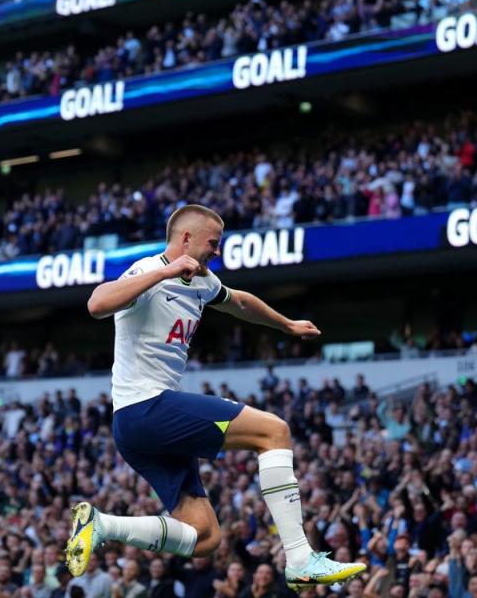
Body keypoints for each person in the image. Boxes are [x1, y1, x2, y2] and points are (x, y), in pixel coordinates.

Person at [66, 204, 367, 590]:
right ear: (185, 239)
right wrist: (165, 271)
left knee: (205, 538)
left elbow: (239, 301)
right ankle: (299, 558)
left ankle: (101, 524)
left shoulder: (202, 281)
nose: (217, 252)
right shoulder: (148, 271)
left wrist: (286, 324)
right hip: (146, 408)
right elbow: (96, 304)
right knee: (274, 432)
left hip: (140, 428)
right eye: (213, 243)